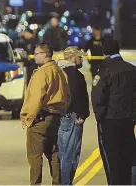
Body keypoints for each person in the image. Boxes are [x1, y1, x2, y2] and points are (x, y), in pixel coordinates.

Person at [20, 43, 70, 185]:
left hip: (41, 117)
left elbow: (35, 99)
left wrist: (28, 117)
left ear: (45, 54)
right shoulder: (61, 72)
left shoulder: (42, 73)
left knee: (35, 156)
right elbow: (68, 96)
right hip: (56, 117)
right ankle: (57, 182)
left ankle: (36, 184)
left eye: (36, 53)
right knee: (53, 153)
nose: (34, 56)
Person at [91, 39, 136, 185]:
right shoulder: (131, 69)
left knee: (112, 159)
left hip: (110, 121)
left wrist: (100, 117)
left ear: (104, 52)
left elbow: (98, 97)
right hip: (128, 120)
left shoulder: (105, 70)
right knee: (129, 156)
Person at [56, 46, 90, 185]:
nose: (81, 59)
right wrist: (82, 115)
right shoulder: (74, 74)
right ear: (72, 57)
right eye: (79, 56)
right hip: (71, 117)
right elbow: (76, 95)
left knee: (62, 154)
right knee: (70, 156)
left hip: (59, 117)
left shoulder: (56, 71)